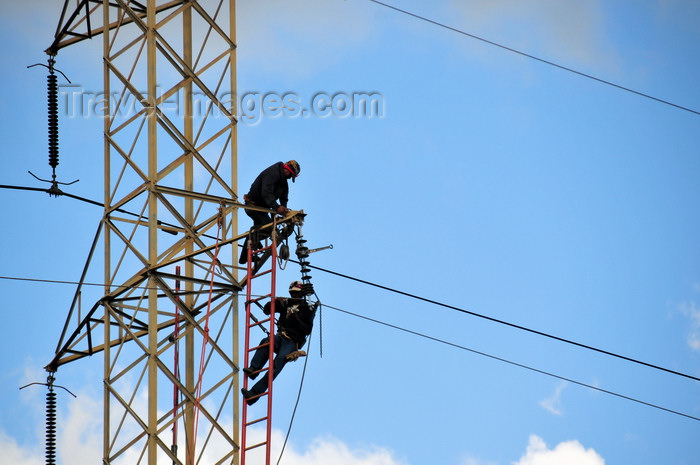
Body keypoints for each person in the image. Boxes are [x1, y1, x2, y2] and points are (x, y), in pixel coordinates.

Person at [241, 281, 315, 405]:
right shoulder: (286, 304)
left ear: (301, 294)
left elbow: (307, 329)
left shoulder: (306, 309)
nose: (294, 296)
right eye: (292, 294)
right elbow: (267, 310)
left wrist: (295, 317)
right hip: (280, 337)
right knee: (267, 342)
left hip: (292, 343)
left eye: (297, 294)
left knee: (276, 366)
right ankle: (254, 369)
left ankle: (254, 394)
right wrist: (274, 302)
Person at [239, 160, 301, 264]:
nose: (290, 178)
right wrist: (277, 207)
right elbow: (266, 193)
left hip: (263, 209)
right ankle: (253, 244)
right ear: (287, 170)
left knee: (264, 230)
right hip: (253, 206)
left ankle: (245, 256)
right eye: (291, 175)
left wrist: (284, 211)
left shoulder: (283, 182)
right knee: (269, 229)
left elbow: (284, 198)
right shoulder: (273, 173)